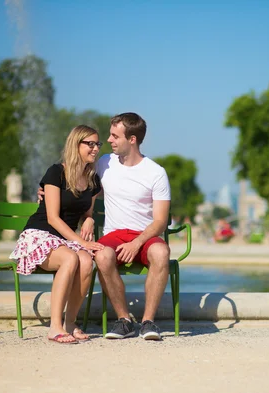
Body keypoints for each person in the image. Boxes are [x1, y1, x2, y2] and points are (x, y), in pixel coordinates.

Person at [38, 112, 171, 341]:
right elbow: (79, 186)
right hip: (113, 234)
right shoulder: (104, 163)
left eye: (114, 136)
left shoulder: (156, 173)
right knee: (101, 256)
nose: (108, 141)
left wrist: (137, 242)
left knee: (162, 252)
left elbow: (159, 221)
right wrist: (84, 213)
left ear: (132, 139)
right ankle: (124, 320)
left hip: (143, 236)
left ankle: (148, 323)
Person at [10, 125, 105, 344]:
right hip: (40, 234)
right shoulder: (56, 172)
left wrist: (89, 219)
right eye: (89, 144)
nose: (95, 149)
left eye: (97, 144)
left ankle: (70, 323)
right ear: (76, 144)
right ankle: (55, 327)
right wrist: (83, 242)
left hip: (63, 240)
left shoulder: (92, 179)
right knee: (72, 258)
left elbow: (87, 212)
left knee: (85, 260)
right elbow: (52, 218)